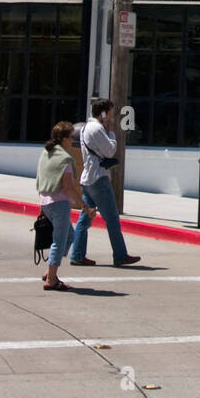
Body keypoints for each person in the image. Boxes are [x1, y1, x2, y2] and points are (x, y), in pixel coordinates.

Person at [69, 98, 141, 267]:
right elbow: (109, 151)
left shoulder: (87, 127)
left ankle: (77, 254)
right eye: (109, 112)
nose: (111, 116)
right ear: (102, 113)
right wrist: (111, 133)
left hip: (88, 178)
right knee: (112, 218)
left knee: (85, 218)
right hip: (98, 178)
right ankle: (120, 255)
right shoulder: (97, 129)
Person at [36, 121, 87, 290]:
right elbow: (69, 187)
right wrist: (84, 205)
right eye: (71, 136)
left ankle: (49, 269)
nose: (73, 140)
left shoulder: (46, 152)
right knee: (59, 241)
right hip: (59, 203)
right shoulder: (65, 159)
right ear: (64, 139)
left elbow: (42, 178)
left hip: (45, 201)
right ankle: (51, 279)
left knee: (70, 236)